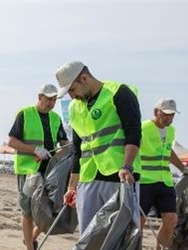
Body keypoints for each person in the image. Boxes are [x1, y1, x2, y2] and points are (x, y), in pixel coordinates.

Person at [56, 61, 142, 235]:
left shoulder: (119, 93)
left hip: (119, 176)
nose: (72, 96)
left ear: (84, 78)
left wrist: (127, 166)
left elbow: (134, 132)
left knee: (121, 236)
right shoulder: (75, 108)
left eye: (72, 90)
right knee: (88, 236)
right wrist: (72, 187)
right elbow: (78, 150)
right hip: (89, 178)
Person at [8, 83, 68, 250]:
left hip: (49, 171)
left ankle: (30, 239)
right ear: (40, 96)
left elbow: (63, 142)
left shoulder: (56, 118)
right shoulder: (25, 114)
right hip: (28, 171)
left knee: (48, 211)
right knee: (28, 211)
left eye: (54, 99)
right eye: (48, 98)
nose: (51, 102)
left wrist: (68, 149)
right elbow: (12, 141)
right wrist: (34, 149)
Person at [139, 98, 188, 250]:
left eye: (172, 115)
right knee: (139, 220)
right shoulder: (143, 128)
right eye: (166, 114)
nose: (169, 118)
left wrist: (183, 168)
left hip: (165, 181)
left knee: (171, 218)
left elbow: (168, 151)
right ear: (156, 112)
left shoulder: (171, 131)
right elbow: (131, 147)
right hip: (145, 180)